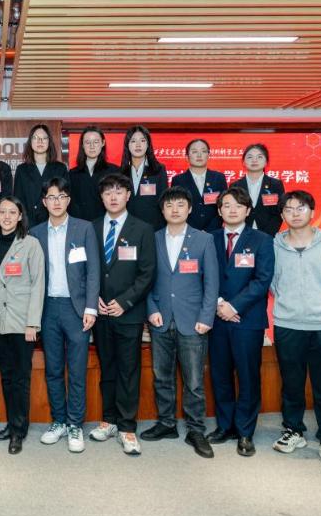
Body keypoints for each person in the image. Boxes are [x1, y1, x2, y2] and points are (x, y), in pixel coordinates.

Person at [270, 190, 321, 472]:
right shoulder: (274, 246)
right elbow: (271, 283)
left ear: (312, 212)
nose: (295, 213)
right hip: (288, 324)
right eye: (289, 209)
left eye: (301, 208)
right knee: (291, 384)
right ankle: (293, 430)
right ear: (282, 214)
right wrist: (291, 305)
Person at [142, 186, 219, 459]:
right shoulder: (152, 238)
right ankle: (166, 423)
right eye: (169, 205)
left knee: (194, 381)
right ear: (162, 210)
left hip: (193, 321)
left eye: (180, 205)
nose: (174, 210)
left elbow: (211, 283)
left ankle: (196, 430)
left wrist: (206, 317)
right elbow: (145, 279)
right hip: (160, 319)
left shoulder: (204, 239)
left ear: (189, 208)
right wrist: (151, 310)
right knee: (161, 376)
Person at [30, 177, 100, 453]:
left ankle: (74, 424)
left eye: (61, 196)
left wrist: (91, 307)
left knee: (78, 369)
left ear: (68, 200)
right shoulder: (35, 233)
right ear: (44, 202)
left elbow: (93, 271)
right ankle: (59, 420)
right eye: (51, 197)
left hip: (77, 309)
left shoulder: (84, 228)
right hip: (48, 308)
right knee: (54, 369)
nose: (56, 202)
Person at [89, 173, 155, 456]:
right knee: (108, 368)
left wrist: (125, 302)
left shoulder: (143, 229)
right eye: (108, 192)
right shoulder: (91, 227)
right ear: (101, 197)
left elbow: (147, 273)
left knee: (128, 370)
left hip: (128, 312)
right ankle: (109, 420)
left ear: (128, 195)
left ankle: (127, 426)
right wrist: (94, 298)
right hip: (101, 311)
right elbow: (87, 269)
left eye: (119, 191)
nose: (113, 196)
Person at [207, 187, 275, 457]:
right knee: (220, 375)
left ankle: (245, 431)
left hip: (247, 320)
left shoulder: (262, 240)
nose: (232, 209)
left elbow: (262, 280)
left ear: (248, 210)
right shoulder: (209, 239)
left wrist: (233, 306)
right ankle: (225, 426)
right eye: (226, 205)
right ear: (219, 210)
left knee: (248, 376)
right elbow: (203, 275)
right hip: (216, 319)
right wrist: (218, 305)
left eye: (238, 205)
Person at [0, 196, 45, 455]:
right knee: (7, 376)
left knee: (20, 379)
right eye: (2, 212)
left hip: (22, 323)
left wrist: (33, 323)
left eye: (12, 212)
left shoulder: (31, 244)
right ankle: (11, 424)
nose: (7, 216)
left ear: (20, 216)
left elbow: (38, 284)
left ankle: (19, 430)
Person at [14, 123, 68, 227]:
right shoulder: (22, 170)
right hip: (29, 224)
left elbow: (64, 198)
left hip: (54, 223)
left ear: (49, 142)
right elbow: (18, 200)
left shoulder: (60, 168)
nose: (40, 141)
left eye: (44, 138)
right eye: (35, 138)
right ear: (30, 142)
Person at [170, 138, 228, 231]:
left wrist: (211, 230)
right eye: (194, 152)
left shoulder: (219, 178)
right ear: (187, 156)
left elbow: (224, 205)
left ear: (208, 155)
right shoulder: (178, 180)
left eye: (203, 151)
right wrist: (193, 231)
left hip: (214, 231)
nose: (199, 155)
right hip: (187, 231)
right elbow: (177, 207)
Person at [120, 125, 168, 230]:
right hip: (126, 228)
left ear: (148, 144)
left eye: (142, 141)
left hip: (152, 228)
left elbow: (164, 201)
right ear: (127, 145)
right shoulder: (121, 172)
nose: (138, 145)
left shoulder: (158, 170)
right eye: (133, 141)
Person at [230, 143, 285, 236]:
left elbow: (279, 212)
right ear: (243, 162)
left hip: (268, 234)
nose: (254, 160)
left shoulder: (275, 184)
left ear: (266, 162)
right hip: (241, 234)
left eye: (259, 157)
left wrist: (267, 235)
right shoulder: (235, 186)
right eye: (250, 157)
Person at [68, 126, 117, 222]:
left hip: (106, 224)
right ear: (82, 145)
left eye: (96, 142)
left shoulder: (114, 171)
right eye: (87, 142)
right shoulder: (73, 174)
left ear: (103, 143)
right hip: (80, 225)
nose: (92, 146)